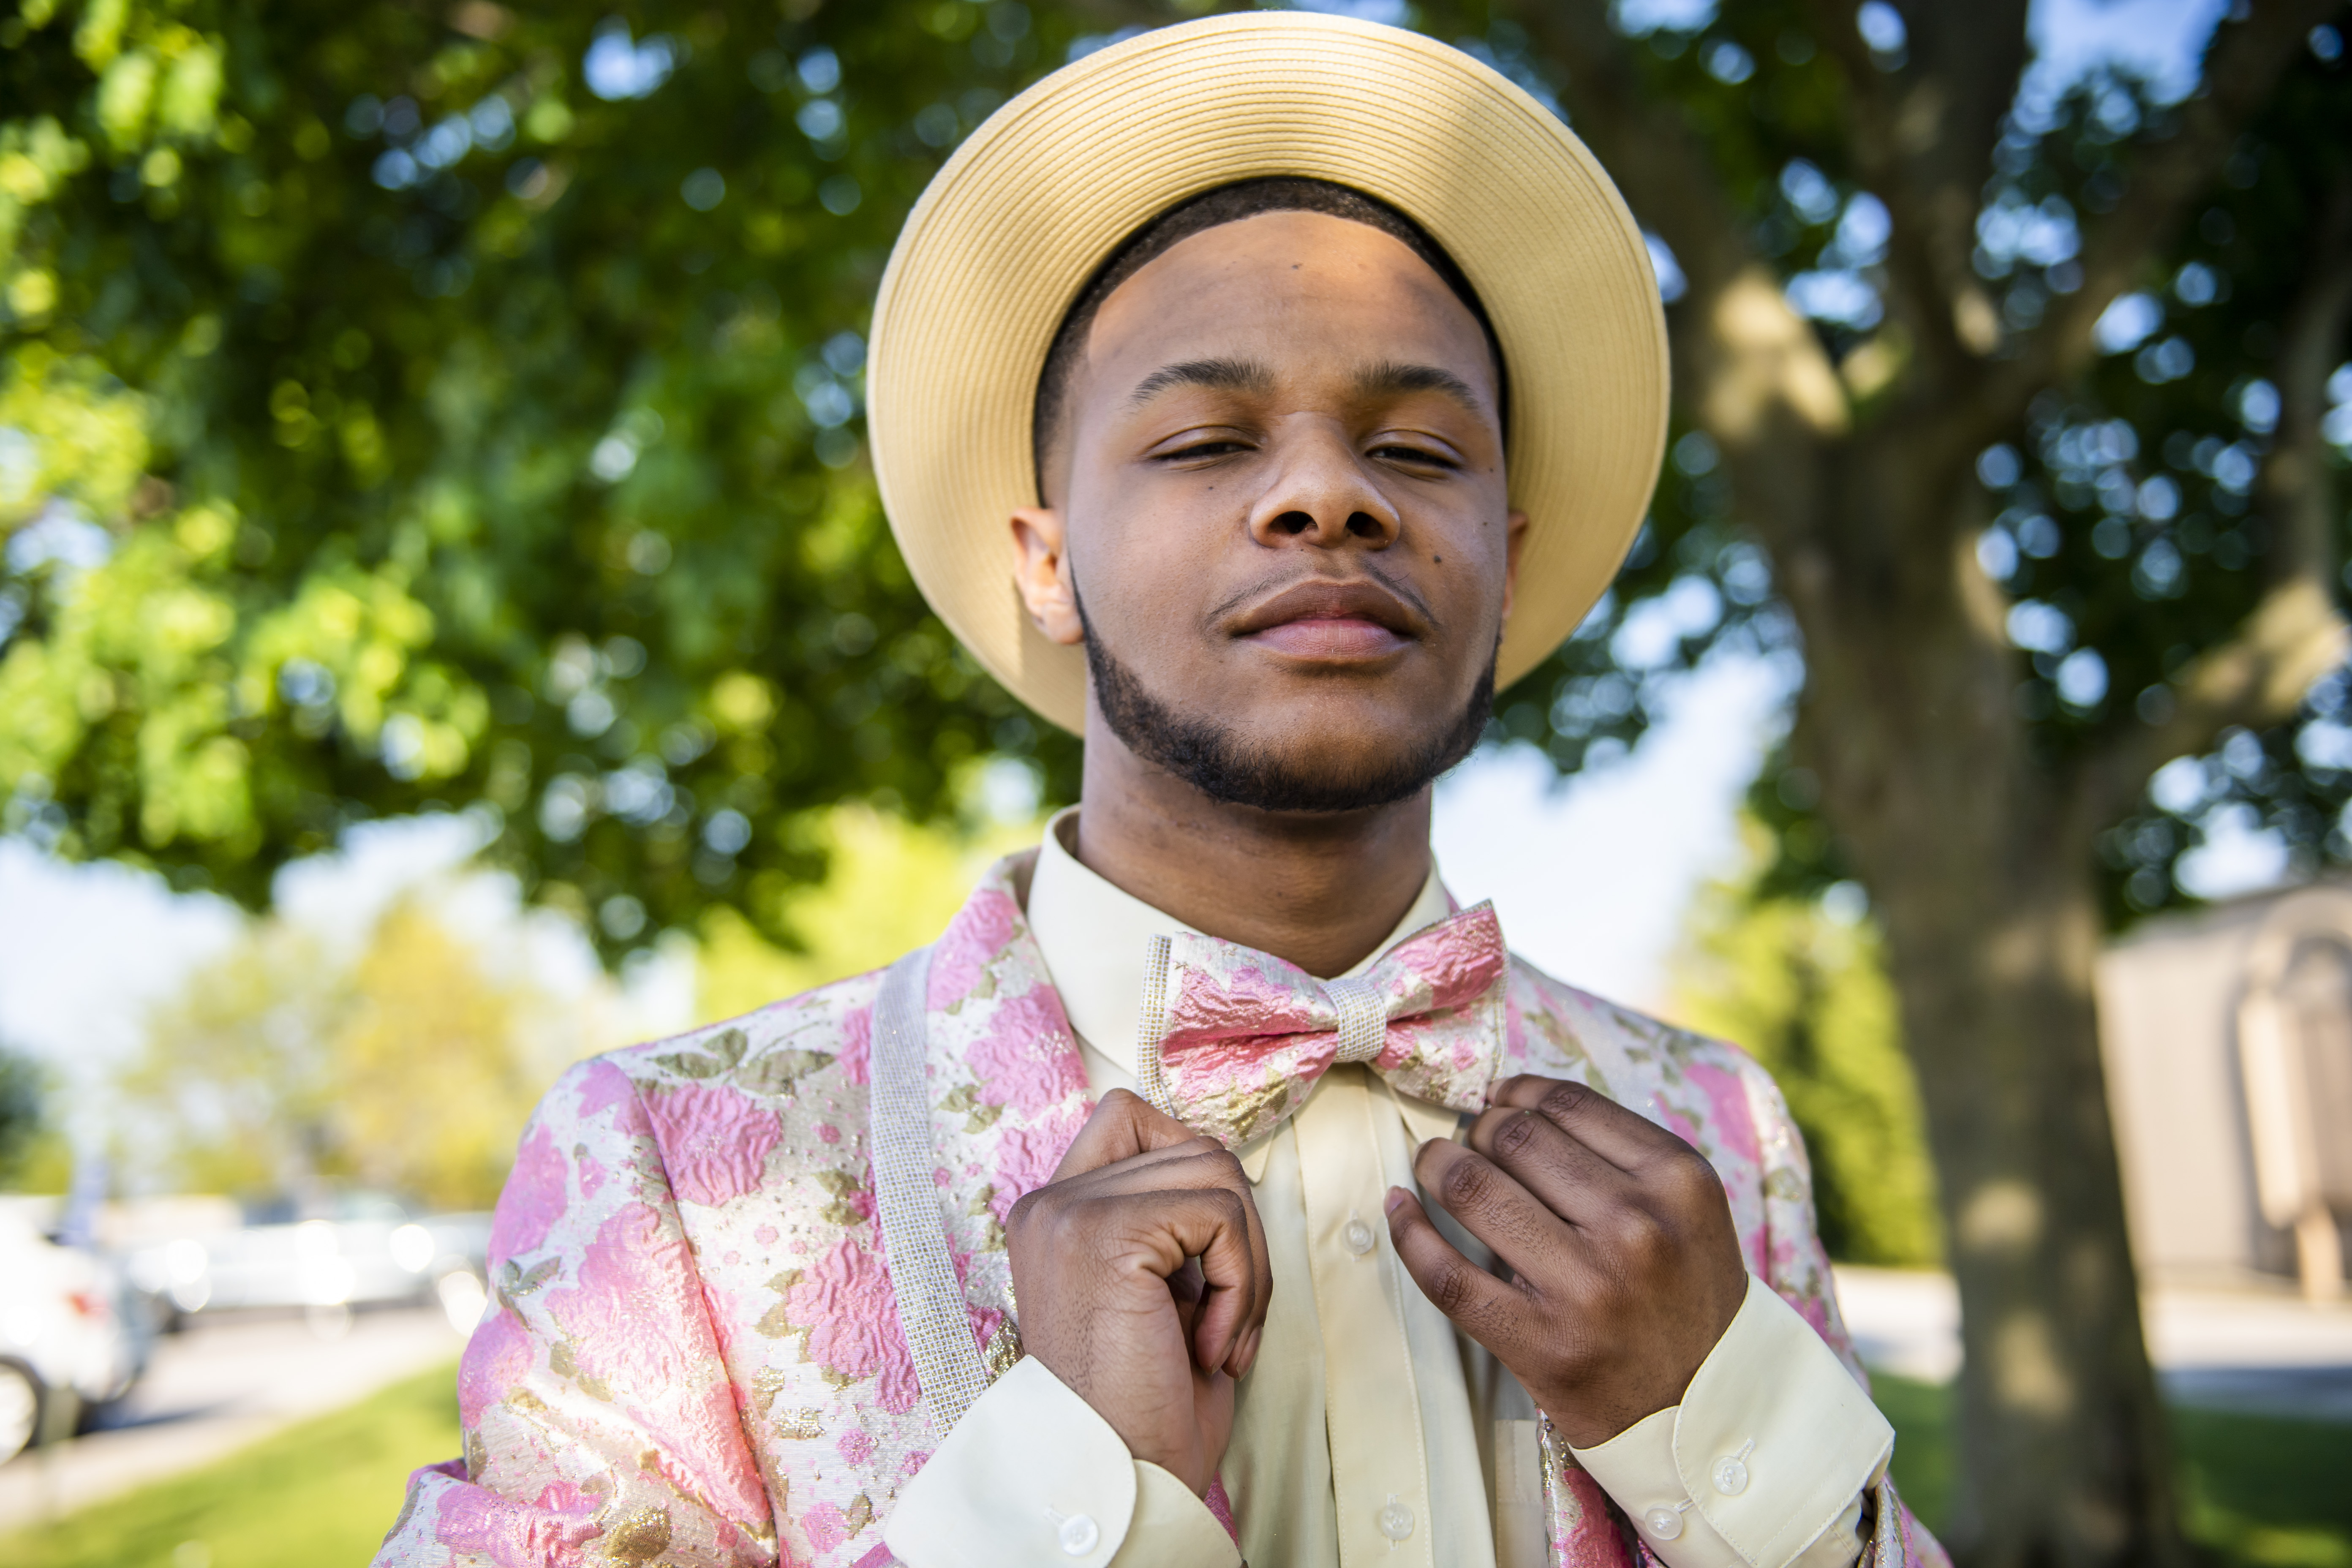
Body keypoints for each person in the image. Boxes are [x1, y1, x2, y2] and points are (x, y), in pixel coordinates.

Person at [375, 15, 1949, 1568]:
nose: (1331, 491)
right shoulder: (678, 1170)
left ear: (1505, 561)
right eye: (1206, 438)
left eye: (1419, 447)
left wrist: (1724, 1432)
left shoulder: (1715, 1131)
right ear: (1045, 561)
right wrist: (1066, 1499)